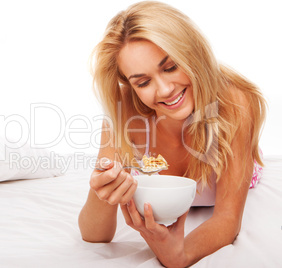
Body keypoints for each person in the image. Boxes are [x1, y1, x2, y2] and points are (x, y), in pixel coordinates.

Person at [78, 1, 267, 267]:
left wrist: (180, 254)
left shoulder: (235, 101)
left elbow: (227, 219)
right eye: (143, 82)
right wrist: (103, 191)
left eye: (170, 67)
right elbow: (94, 235)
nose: (165, 89)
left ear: (192, 52)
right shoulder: (124, 109)